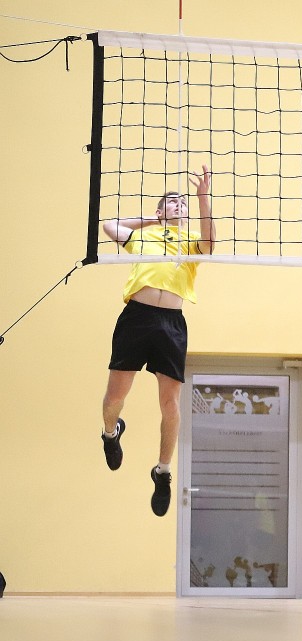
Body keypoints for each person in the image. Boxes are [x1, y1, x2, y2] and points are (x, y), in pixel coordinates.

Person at [100, 166, 215, 517]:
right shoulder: (144, 237)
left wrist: (202, 198)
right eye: (172, 202)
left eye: (183, 203)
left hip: (171, 325)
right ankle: (110, 433)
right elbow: (108, 225)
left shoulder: (192, 241)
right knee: (115, 397)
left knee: (170, 404)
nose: (179, 205)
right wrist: (153, 220)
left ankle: (162, 471)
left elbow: (211, 243)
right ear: (161, 211)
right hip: (136, 318)